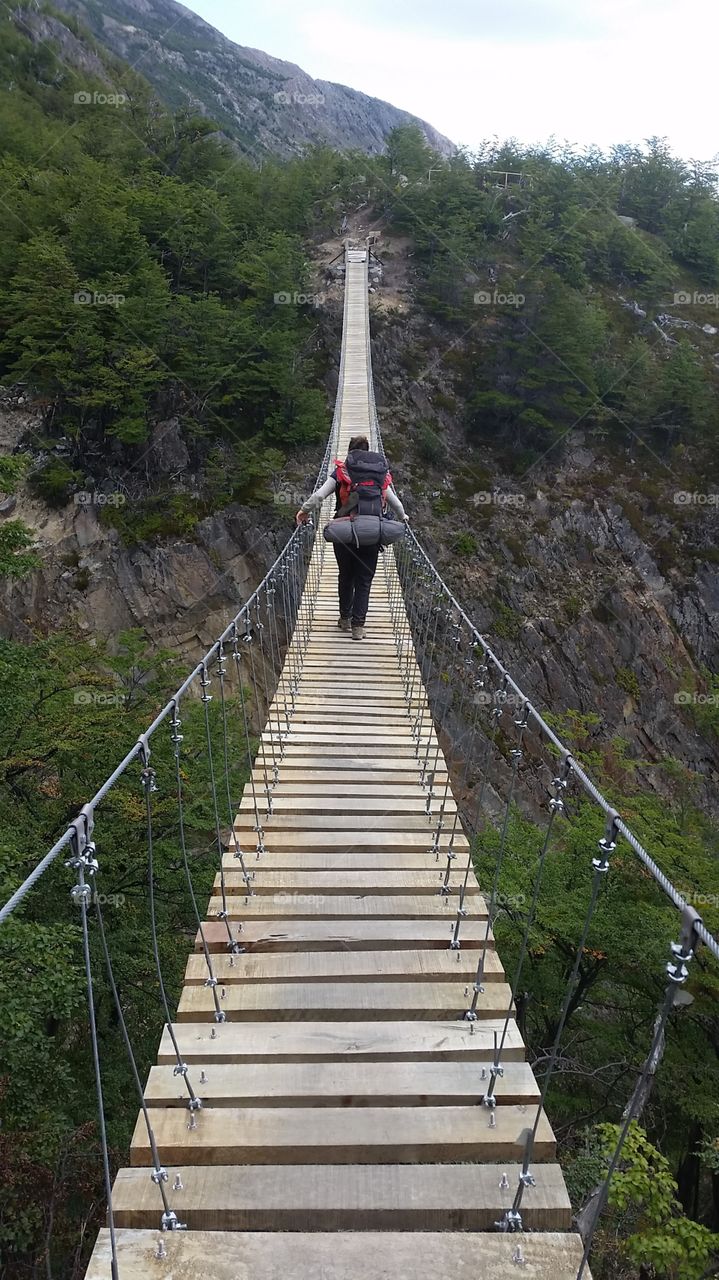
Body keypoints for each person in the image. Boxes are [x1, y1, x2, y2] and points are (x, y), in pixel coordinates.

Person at [296, 435, 408, 640]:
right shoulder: (380, 474)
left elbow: (320, 496)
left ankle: (345, 619)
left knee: (346, 576)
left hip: (344, 532)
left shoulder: (341, 471)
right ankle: (358, 627)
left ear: (349, 453)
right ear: (368, 451)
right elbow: (396, 503)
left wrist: (304, 511)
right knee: (364, 580)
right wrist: (403, 518)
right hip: (373, 532)